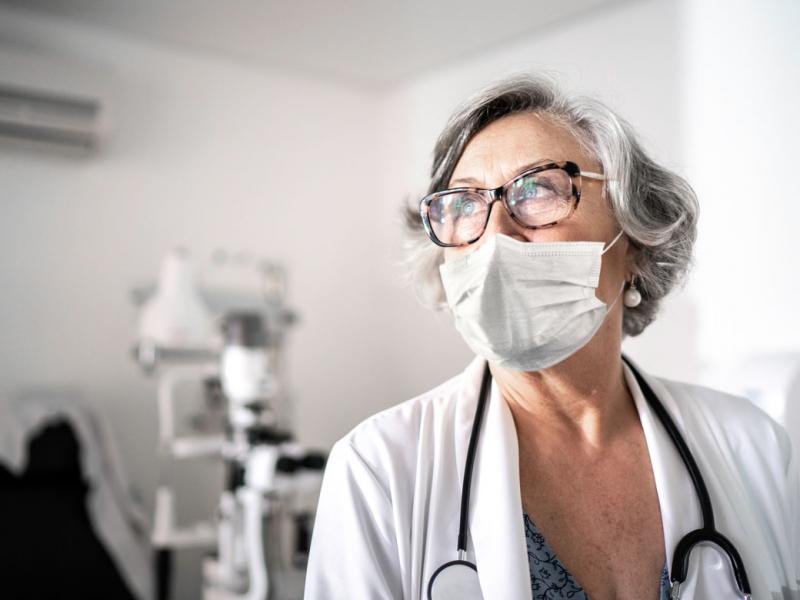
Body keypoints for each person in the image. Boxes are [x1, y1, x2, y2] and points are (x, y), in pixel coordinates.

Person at [303, 75, 799, 600]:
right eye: (466, 204)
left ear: (634, 241)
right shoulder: (378, 467)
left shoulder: (752, 445)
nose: (494, 235)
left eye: (537, 188)